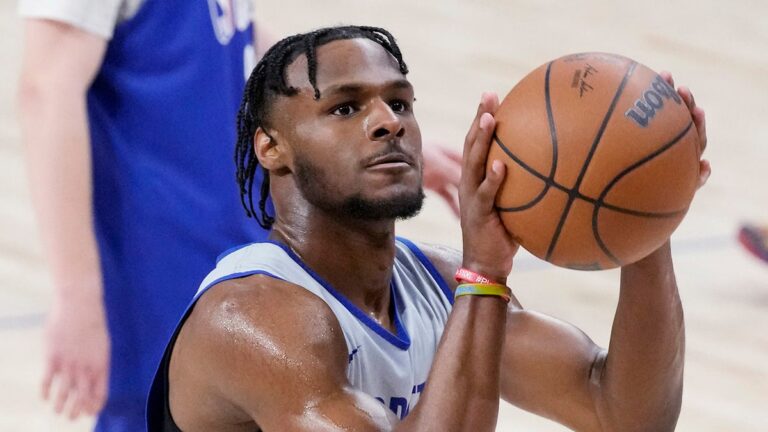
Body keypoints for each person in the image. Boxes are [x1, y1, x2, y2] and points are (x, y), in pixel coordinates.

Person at [146, 25, 710, 431]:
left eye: (399, 102)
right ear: (271, 148)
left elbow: (623, 413)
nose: (387, 122)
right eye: (345, 108)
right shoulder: (253, 319)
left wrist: (647, 213)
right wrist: (485, 274)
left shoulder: (436, 283)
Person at [17, 2, 463, 430]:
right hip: (155, 251)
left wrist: (367, 148)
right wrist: (76, 294)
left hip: (236, 224)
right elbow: (46, 89)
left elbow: (234, 43)